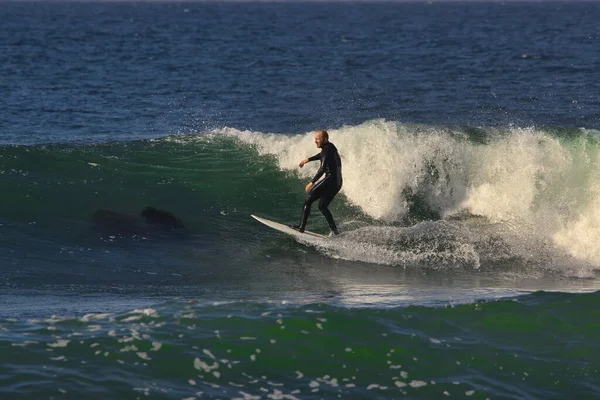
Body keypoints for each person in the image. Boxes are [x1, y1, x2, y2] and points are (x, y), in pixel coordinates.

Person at [295, 130, 343, 235]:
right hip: (337, 182)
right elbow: (320, 155)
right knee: (322, 206)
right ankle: (336, 232)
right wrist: (307, 160)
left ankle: (301, 227)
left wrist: (312, 182)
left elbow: (322, 169)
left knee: (308, 199)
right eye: (315, 139)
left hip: (330, 180)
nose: (315, 141)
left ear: (325, 139)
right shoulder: (330, 148)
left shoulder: (327, 149)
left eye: (318, 139)